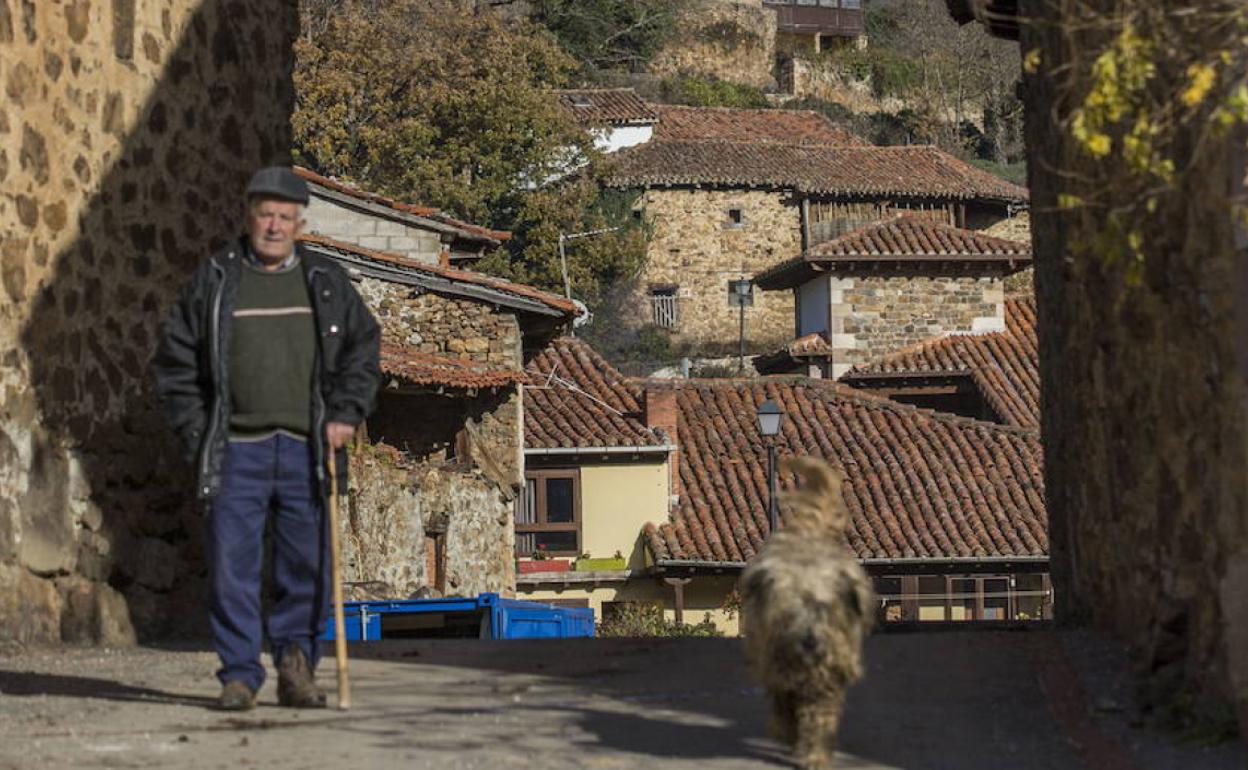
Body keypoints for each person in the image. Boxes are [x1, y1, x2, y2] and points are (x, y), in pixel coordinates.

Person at [152, 167, 380, 711]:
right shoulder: (215, 280)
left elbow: (363, 351)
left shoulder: (325, 281)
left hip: (308, 448)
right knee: (233, 564)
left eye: (285, 217)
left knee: (306, 565)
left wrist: (346, 413)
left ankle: (296, 666)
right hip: (237, 448)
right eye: (265, 216)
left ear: (300, 222)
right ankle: (238, 674)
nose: (274, 226)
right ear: (249, 217)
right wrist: (196, 431)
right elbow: (176, 361)